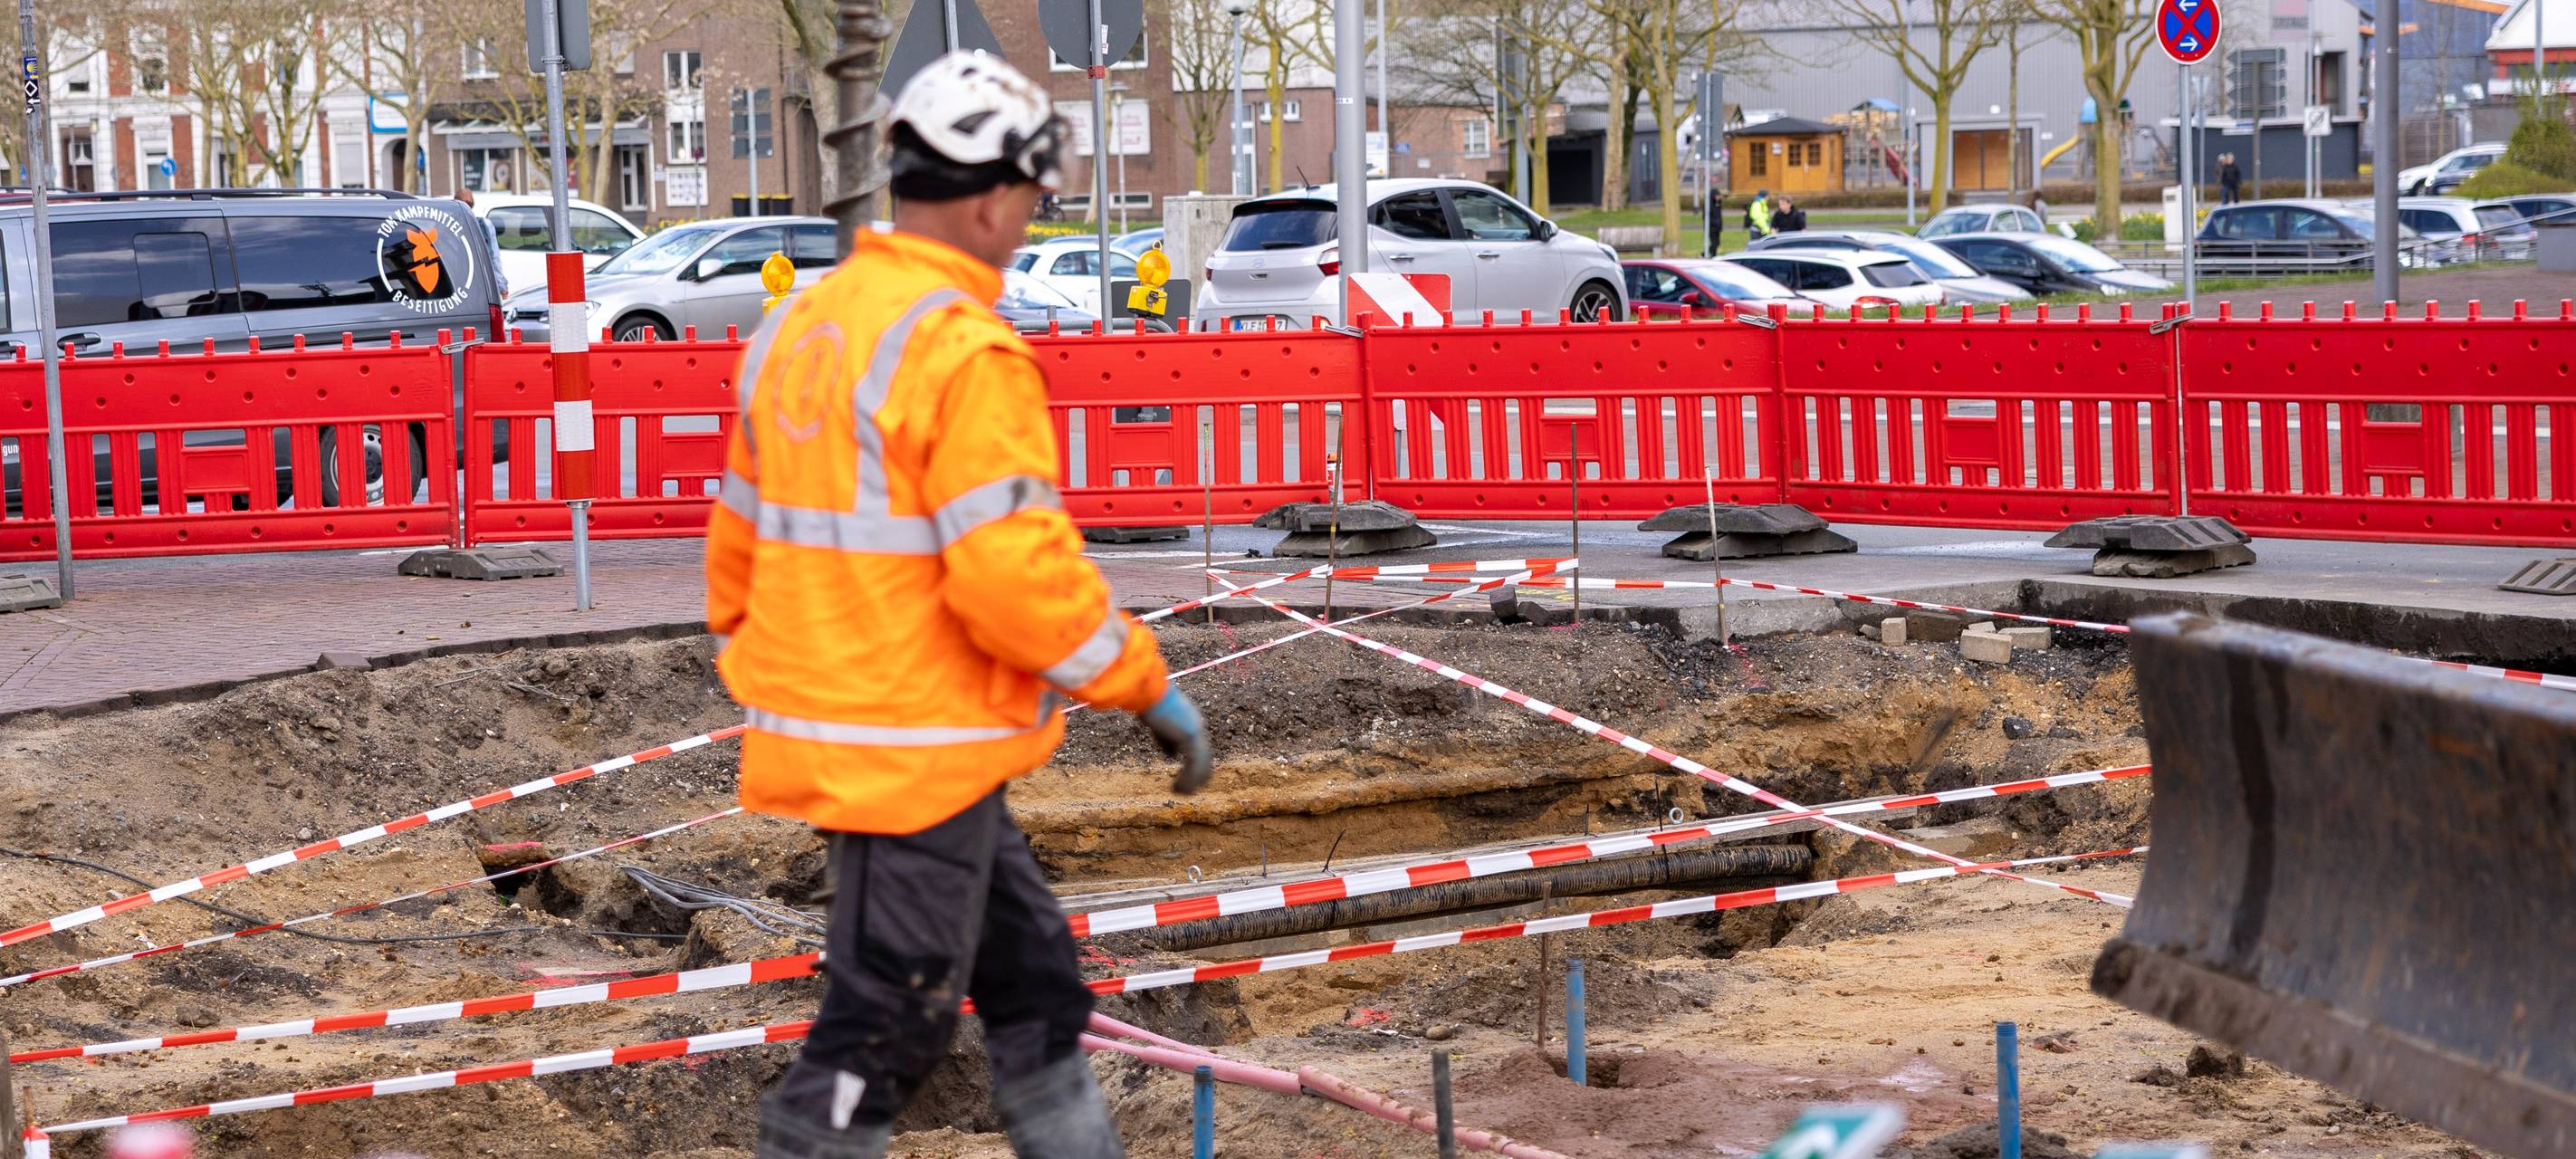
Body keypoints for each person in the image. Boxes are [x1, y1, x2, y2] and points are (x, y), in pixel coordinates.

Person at [709, 50, 1213, 1159]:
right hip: (915, 740)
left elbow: (735, 546)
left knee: (1034, 984)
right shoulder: (959, 348)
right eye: (1032, 202)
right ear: (994, 195)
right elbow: (1011, 578)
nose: (1029, 223)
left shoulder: (804, 326)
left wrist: (790, 670)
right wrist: (1144, 684)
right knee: (887, 1020)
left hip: (872, 726)